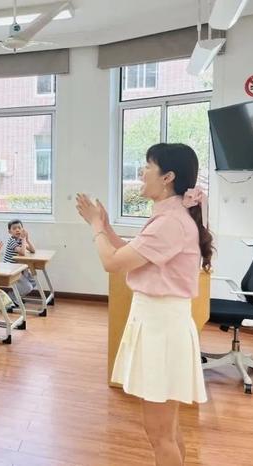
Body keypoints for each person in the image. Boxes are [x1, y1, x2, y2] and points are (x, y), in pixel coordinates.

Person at [76, 143, 212, 466]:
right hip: (161, 326)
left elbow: (111, 262)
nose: (141, 172)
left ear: (168, 177)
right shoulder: (170, 218)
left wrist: (95, 226)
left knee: (159, 433)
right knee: (168, 429)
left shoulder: (171, 223)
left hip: (161, 331)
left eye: (147, 166)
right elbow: (136, 257)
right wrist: (107, 227)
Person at [3, 219, 38, 300]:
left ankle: (17, 297)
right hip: (11, 269)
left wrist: (27, 239)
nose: (17, 230)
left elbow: (33, 250)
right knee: (28, 287)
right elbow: (22, 252)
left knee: (34, 281)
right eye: (14, 228)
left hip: (19, 267)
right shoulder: (11, 241)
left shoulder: (20, 240)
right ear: (10, 232)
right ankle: (10, 298)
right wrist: (23, 239)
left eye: (19, 228)